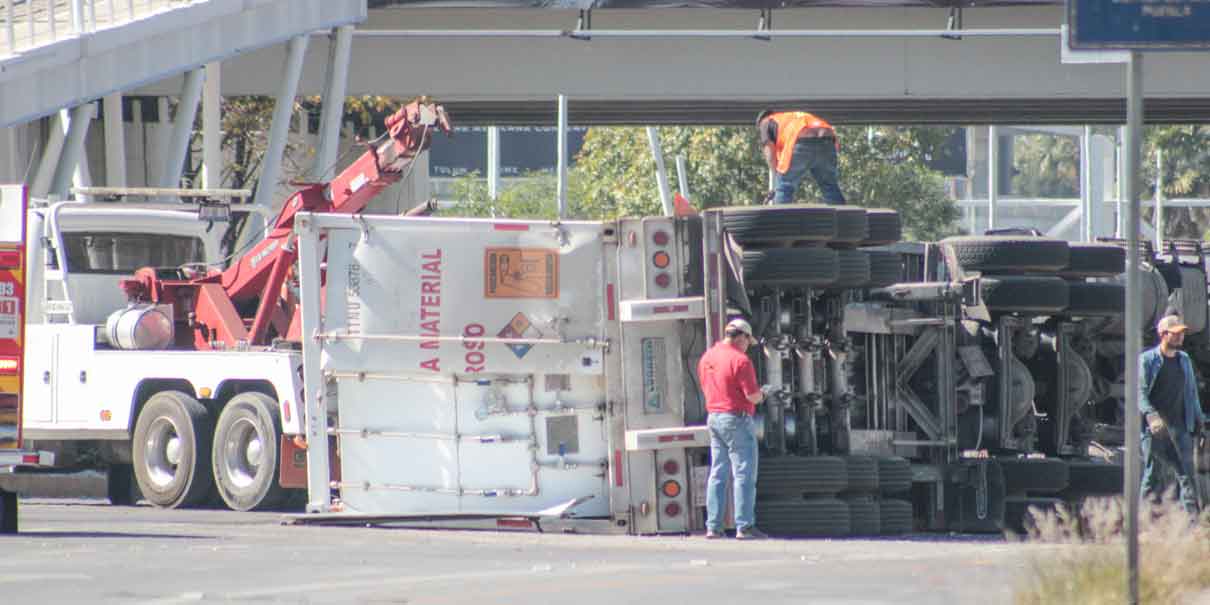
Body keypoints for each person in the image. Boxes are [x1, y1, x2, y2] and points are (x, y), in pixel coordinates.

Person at [698, 318, 768, 539]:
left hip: (714, 418)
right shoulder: (741, 360)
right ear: (742, 337)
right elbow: (752, 396)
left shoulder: (707, 357)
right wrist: (766, 393)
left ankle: (713, 527)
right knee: (744, 473)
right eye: (748, 341)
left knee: (718, 473)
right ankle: (744, 526)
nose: (748, 345)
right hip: (736, 419)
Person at [1139, 315, 1207, 515]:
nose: (1180, 337)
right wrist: (1151, 416)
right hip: (1156, 431)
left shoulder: (1184, 360)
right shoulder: (1148, 361)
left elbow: (1191, 393)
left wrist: (1199, 422)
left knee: (1187, 477)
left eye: (1182, 333)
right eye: (1176, 333)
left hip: (1180, 429)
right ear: (1163, 334)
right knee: (1153, 476)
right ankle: (1140, 521)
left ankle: (1195, 524)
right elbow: (1139, 392)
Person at [757, 110, 846, 205]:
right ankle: (843, 218)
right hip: (828, 140)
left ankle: (780, 219)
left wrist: (777, 176)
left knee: (784, 186)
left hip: (801, 139)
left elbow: (769, 153)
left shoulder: (765, 121)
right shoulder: (789, 117)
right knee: (830, 186)